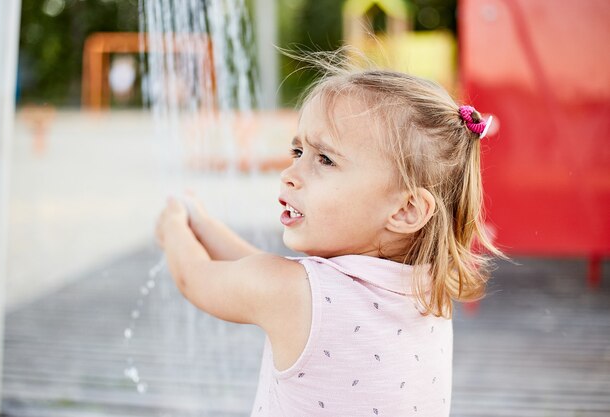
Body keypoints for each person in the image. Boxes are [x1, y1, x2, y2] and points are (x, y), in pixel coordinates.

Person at [155, 58, 501, 416]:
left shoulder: (292, 293)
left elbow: (195, 277)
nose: (290, 173)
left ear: (406, 210)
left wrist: (174, 228)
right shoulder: (427, 289)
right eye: (298, 151)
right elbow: (265, 273)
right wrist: (205, 224)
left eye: (325, 160)